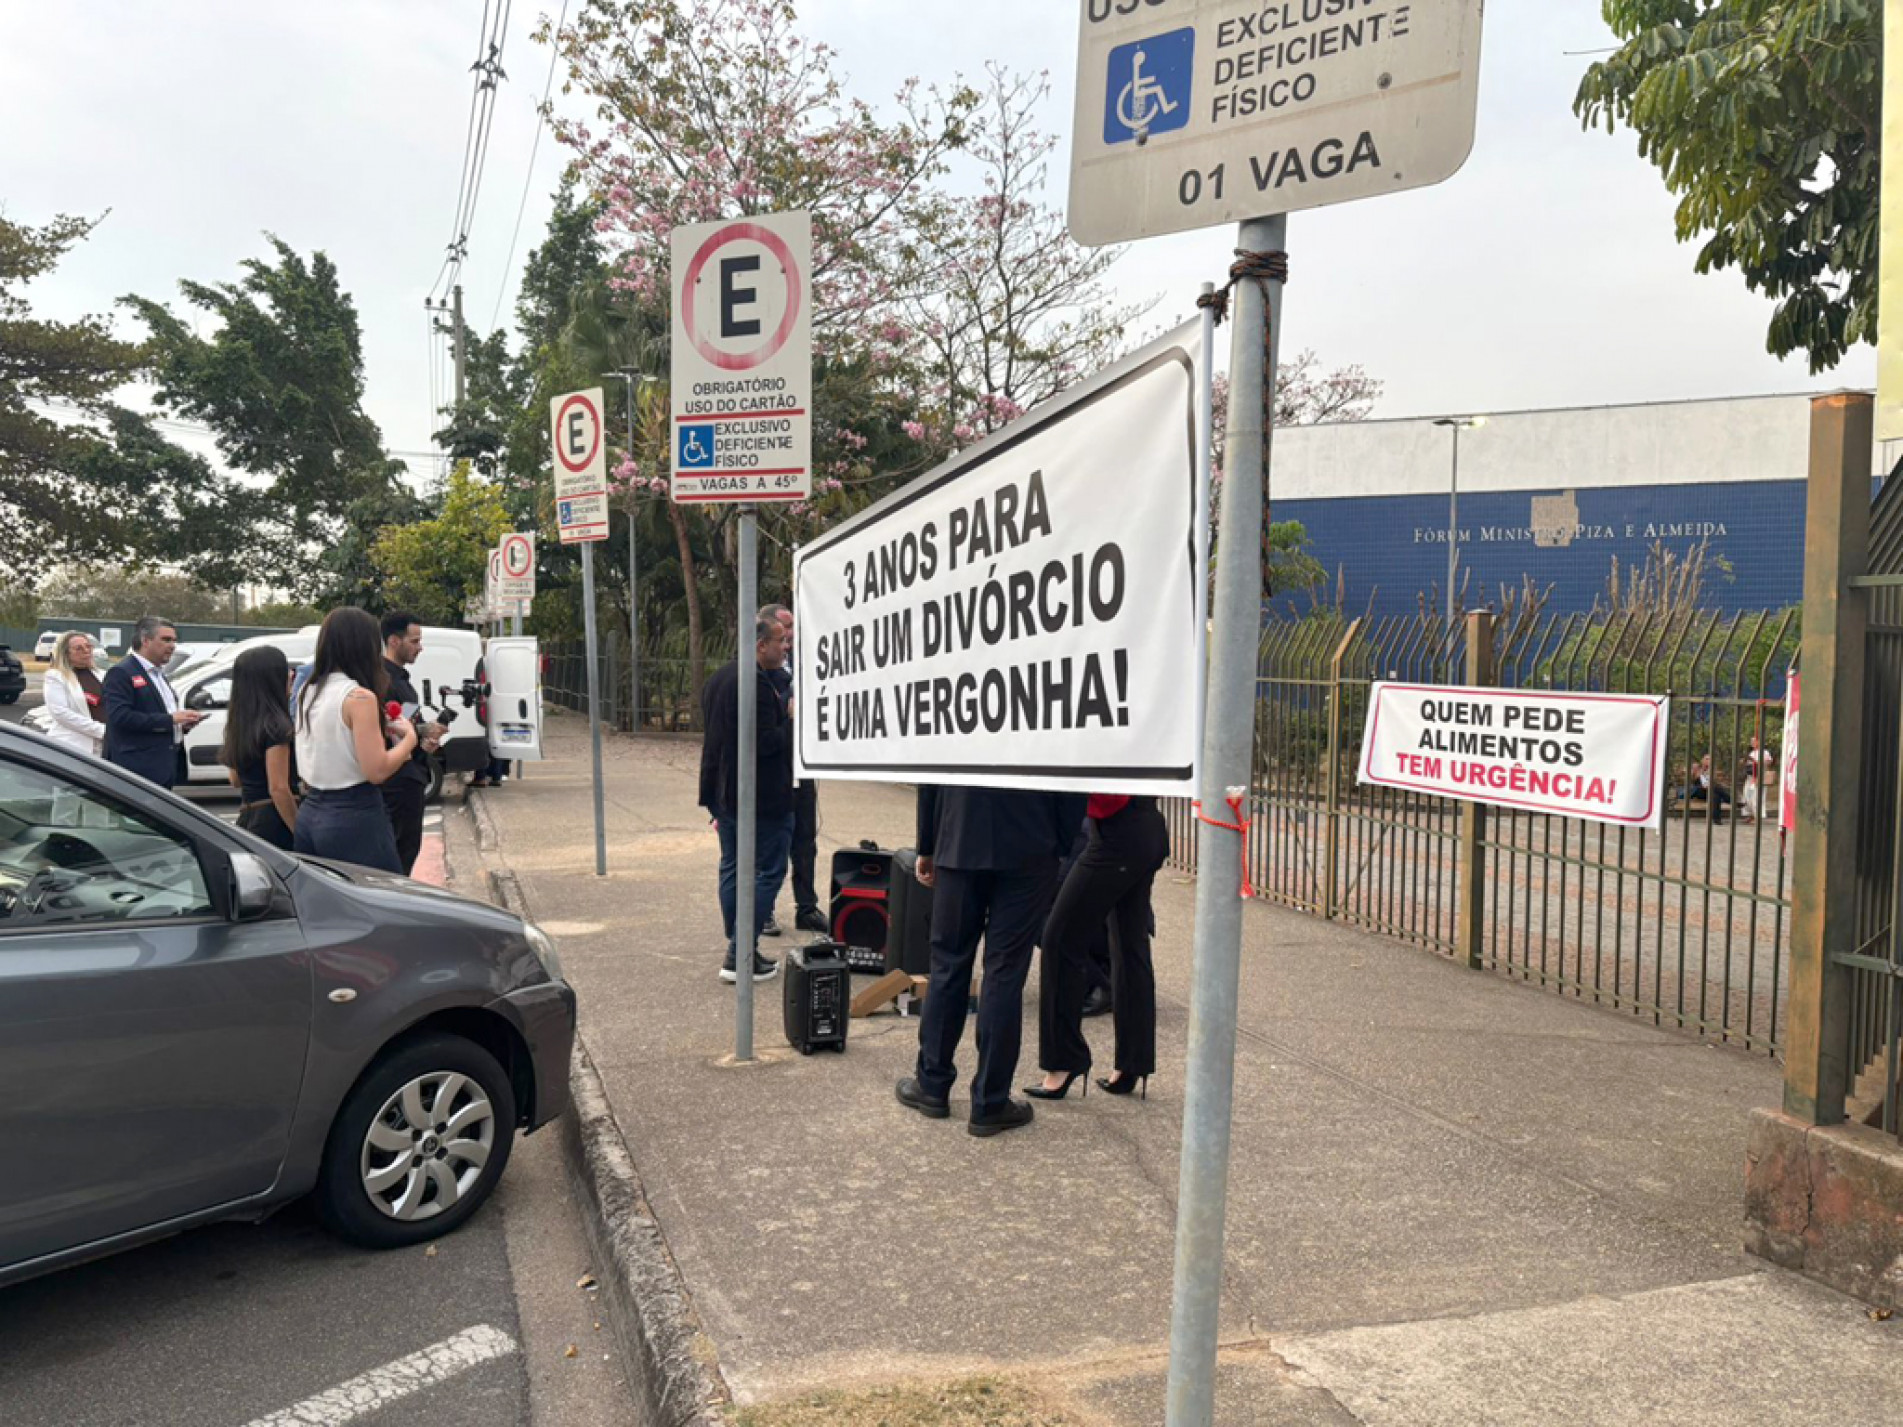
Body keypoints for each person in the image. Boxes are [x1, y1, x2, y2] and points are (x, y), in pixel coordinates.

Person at [896, 783, 1086, 1138]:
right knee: (1005, 971)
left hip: (960, 834)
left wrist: (928, 843)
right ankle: (989, 1100)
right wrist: (1060, 842)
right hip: (1031, 839)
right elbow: (1071, 777)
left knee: (949, 965)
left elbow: (930, 769)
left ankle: (932, 1084)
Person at [1029, 794, 1170, 1102]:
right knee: (1129, 945)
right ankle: (1133, 1064)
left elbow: (1108, 796)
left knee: (1059, 939)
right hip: (1145, 828)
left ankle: (1063, 1062)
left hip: (1115, 836)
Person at [698, 615, 795, 983]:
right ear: (760, 645)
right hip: (761, 798)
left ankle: (741, 948)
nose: (785, 647)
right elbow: (764, 743)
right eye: (780, 641)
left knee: (733, 866)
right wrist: (790, 719)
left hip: (724, 793)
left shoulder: (719, 677)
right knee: (767, 870)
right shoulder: (751, 683)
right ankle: (739, 952)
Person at [293, 608, 416, 872]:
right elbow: (377, 770)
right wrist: (410, 739)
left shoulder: (308, 690)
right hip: (354, 813)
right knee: (382, 901)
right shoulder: (359, 697)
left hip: (310, 810)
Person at [760, 602, 826, 935]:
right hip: (774, 769)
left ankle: (807, 906)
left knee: (805, 840)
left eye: (792, 627)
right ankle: (765, 909)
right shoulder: (764, 668)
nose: (790, 634)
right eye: (784, 627)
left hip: (801, 765)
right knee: (771, 843)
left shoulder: (806, 660)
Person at [380, 611, 447, 873]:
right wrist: (419, 733)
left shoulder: (403, 681)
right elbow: (390, 732)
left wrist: (424, 740)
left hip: (412, 775)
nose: (420, 648)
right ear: (394, 641)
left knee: (408, 853)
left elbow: (406, 728)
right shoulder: (383, 682)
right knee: (398, 858)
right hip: (396, 784)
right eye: (414, 641)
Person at [101, 615, 201, 787]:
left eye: (174, 640)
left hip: (164, 767)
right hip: (137, 770)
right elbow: (120, 717)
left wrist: (181, 725)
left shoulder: (159, 674)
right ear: (145, 640)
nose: (172, 646)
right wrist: (171, 720)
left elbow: (158, 715)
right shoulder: (121, 673)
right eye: (166, 640)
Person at [220, 645, 299, 851]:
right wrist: (300, 832)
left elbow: (235, 780)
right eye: (285, 669)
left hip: (248, 817)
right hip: (275, 821)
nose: (291, 674)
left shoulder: (239, 723)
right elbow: (278, 788)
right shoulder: (277, 726)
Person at [42, 631, 107, 757]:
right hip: (72, 746)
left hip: (102, 747)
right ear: (66, 653)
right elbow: (60, 712)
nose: (86, 651)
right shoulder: (55, 676)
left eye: (88, 646)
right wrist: (100, 730)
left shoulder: (102, 674)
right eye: (79, 648)